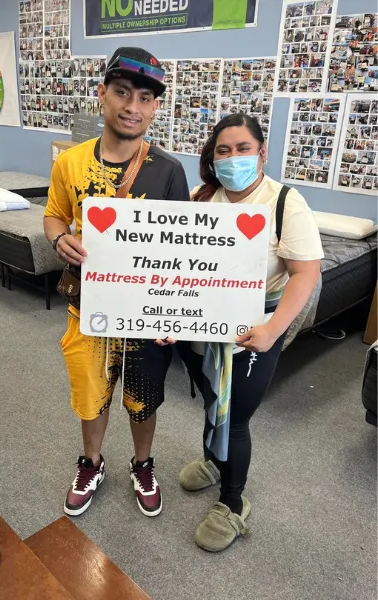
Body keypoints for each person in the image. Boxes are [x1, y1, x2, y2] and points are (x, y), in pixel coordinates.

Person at [44, 47, 190, 518]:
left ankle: (143, 464)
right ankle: (91, 462)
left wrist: (175, 310)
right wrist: (58, 239)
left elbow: (184, 248)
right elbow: (52, 216)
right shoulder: (70, 163)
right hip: (86, 307)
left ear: (155, 107)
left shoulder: (168, 171)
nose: (133, 106)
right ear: (102, 94)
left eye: (145, 98)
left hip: (145, 312)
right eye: (123, 93)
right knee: (90, 395)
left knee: (143, 398)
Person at [173, 113, 323, 552]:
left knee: (235, 415)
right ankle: (212, 461)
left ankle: (233, 505)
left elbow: (305, 273)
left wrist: (273, 330)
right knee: (210, 397)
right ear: (212, 157)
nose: (232, 157)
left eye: (242, 148)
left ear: (261, 153)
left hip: (254, 330)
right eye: (223, 150)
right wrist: (164, 320)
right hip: (200, 325)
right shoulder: (202, 200)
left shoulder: (283, 203)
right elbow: (177, 267)